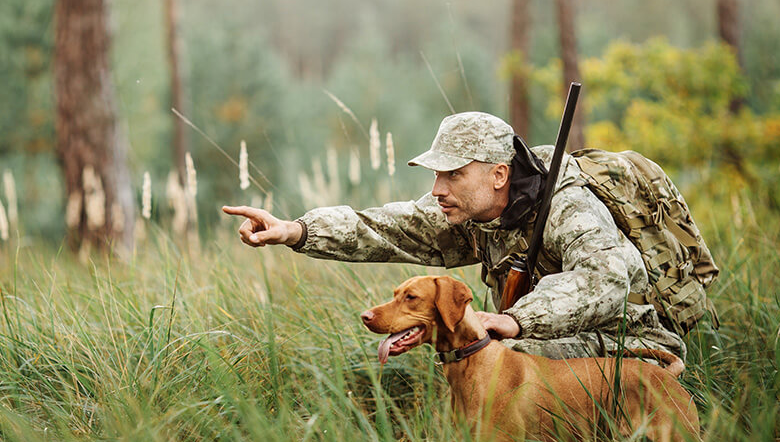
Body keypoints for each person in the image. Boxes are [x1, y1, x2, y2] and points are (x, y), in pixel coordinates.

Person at [223, 112, 686, 359]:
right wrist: (295, 230)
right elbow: (383, 227)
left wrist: (517, 320)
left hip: (632, 342)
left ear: (499, 175)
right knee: (487, 352)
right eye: (436, 174)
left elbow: (607, 278)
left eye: (453, 175)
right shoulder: (468, 210)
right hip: (548, 340)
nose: (437, 190)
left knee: (507, 353)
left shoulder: (567, 205)